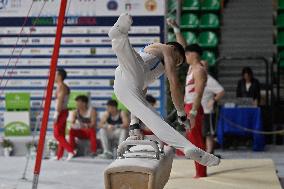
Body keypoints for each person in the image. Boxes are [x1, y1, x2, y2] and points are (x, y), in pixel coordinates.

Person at [108, 13, 220, 166]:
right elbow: (174, 84)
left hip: (125, 86)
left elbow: (142, 90)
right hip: (133, 70)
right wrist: (182, 115)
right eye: (178, 60)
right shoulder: (166, 49)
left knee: (156, 121)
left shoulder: (158, 68)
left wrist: (134, 123)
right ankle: (119, 37)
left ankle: (188, 147)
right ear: (173, 49)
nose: (176, 64)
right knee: (134, 64)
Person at [167, 18, 215, 177]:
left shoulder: (199, 70)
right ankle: (200, 170)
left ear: (194, 55)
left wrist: (193, 111)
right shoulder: (192, 67)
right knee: (193, 140)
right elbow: (184, 46)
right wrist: (176, 29)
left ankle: (201, 172)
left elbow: (200, 92)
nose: (184, 55)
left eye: (187, 54)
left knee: (197, 141)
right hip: (188, 107)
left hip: (193, 108)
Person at [201, 61, 225, 154]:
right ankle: (203, 151)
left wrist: (213, 100)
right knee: (202, 133)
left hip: (208, 111)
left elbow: (221, 91)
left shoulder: (209, 80)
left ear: (206, 68)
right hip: (199, 111)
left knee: (208, 133)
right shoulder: (197, 78)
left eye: (203, 66)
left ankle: (210, 152)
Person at [53, 68, 75, 160]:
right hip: (62, 111)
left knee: (57, 135)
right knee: (61, 134)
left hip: (61, 112)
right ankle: (59, 156)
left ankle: (71, 151)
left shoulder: (62, 86)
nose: (54, 76)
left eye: (56, 74)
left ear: (59, 76)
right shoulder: (60, 86)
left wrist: (56, 114)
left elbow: (60, 101)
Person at [68, 95, 97, 160]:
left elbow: (93, 124)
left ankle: (93, 151)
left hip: (89, 132)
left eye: (78, 102)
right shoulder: (75, 112)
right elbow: (72, 123)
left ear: (84, 103)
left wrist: (84, 125)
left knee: (92, 130)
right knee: (71, 131)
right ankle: (72, 150)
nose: (76, 104)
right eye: (76, 102)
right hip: (80, 131)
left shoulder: (92, 111)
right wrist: (75, 124)